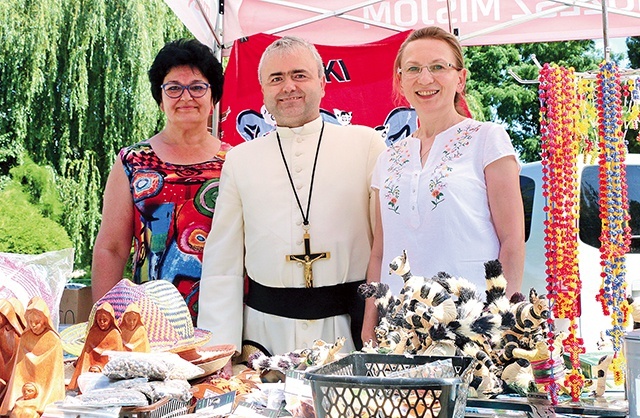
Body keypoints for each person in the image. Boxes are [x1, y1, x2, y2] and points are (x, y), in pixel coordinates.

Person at [198, 36, 386, 358]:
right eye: (276, 78)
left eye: (299, 75)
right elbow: (222, 265)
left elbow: (388, 249)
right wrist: (220, 352)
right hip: (264, 336)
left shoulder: (368, 145)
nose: (288, 87)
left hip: (350, 333)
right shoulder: (240, 159)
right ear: (263, 91)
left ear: (323, 83)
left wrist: (381, 327)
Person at [362, 26, 525, 344]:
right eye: (413, 69)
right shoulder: (388, 159)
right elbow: (381, 253)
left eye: (438, 67)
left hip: (472, 327)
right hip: (400, 330)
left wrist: (499, 322)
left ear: (460, 78)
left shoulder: (487, 139)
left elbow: (512, 241)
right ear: (400, 80)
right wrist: (370, 323)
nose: (425, 79)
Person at [91, 38, 229, 325]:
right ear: (160, 99)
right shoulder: (132, 162)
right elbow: (112, 247)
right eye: (174, 88)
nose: (186, 97)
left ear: (213, 98)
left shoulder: (237, 162)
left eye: (198, 87)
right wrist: (104, 322)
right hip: (146, 319)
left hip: (225, 317)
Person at [0, 297, 65, 416]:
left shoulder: (53, 340)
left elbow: (54, 374)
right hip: (25, 386)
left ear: (45, 320)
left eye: (37, 322)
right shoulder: (25, 337)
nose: (33, 325)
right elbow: (19, 368)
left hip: (45, 389)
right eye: (30, 322)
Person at [68, 302, 124, 390]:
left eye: (105, 320)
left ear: (111, 319)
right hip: (90, 367)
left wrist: (101, 367)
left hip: (107, 368)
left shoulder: (115, 334)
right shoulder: (93, 332)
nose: (102, 322)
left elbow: (117, 358)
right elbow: (86, 355)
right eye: (99, 320)